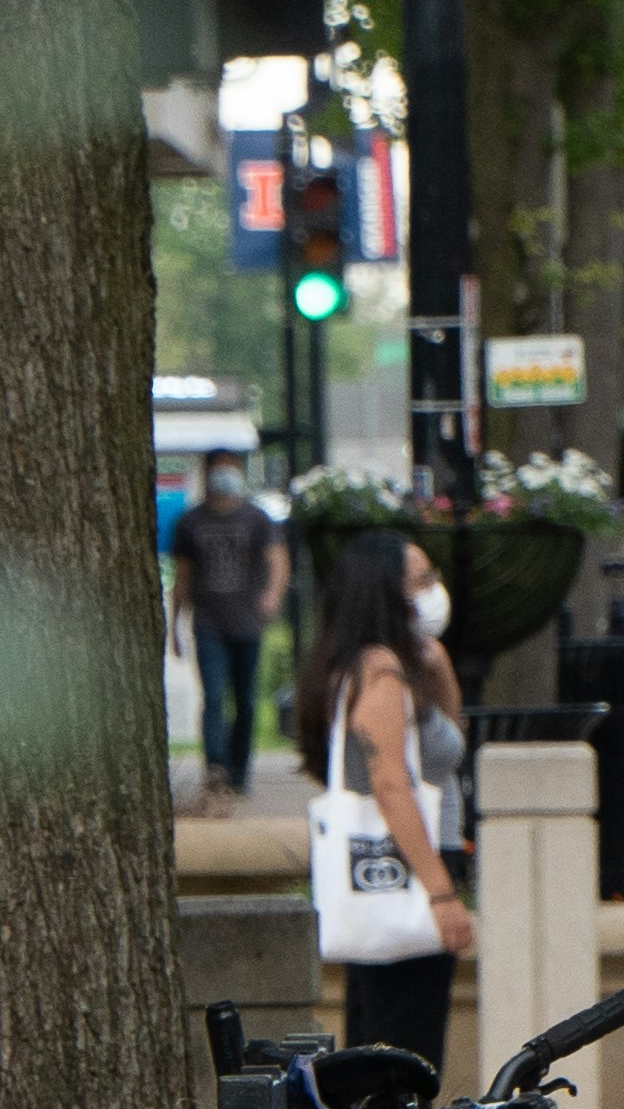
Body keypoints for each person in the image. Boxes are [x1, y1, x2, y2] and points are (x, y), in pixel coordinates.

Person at [293, 531, 474, 1069]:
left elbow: (443, 741)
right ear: (385, 593)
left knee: (388, 1038)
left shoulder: (380, 667)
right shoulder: (381, 675)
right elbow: (391, 785)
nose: (434, 591)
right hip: (408, 866)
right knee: (403, 1050)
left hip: (401, 865)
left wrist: (436, 665)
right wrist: (441, 892)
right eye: (421, 580)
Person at [175, 452, 287, 813]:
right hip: (209, 621)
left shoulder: (256, 519)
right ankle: (217, 769)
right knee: (214, 698)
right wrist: (176, 622)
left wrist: (272, 596)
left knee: (247, 700)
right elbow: (183, 575)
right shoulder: (191, 522)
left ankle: (240, 771)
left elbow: (278, 560)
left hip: (247, 622)